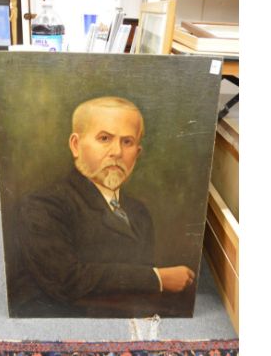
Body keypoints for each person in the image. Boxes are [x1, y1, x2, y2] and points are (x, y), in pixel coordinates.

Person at [12, 96, 195, 317]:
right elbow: (66, 280)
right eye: (105, 138)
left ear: (137, 154)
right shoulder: (43, 206)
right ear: (76, 145)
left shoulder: (138, 213)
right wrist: (156, 278)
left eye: (127, 142)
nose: (117, 152)